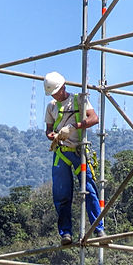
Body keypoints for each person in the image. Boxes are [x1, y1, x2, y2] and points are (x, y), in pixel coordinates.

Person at [43, 71, 105, 245]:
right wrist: (52, 135)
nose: (55, 95)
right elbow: (48, 129)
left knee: (89, 189)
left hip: (79, 151)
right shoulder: (51, 106)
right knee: (61, 194)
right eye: (52, 94)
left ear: (63, 87)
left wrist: (73, 127)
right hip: (61, 152)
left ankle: (98, 229)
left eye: (57, 92)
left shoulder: (78, 100)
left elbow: (94, 118)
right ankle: (66, 233)